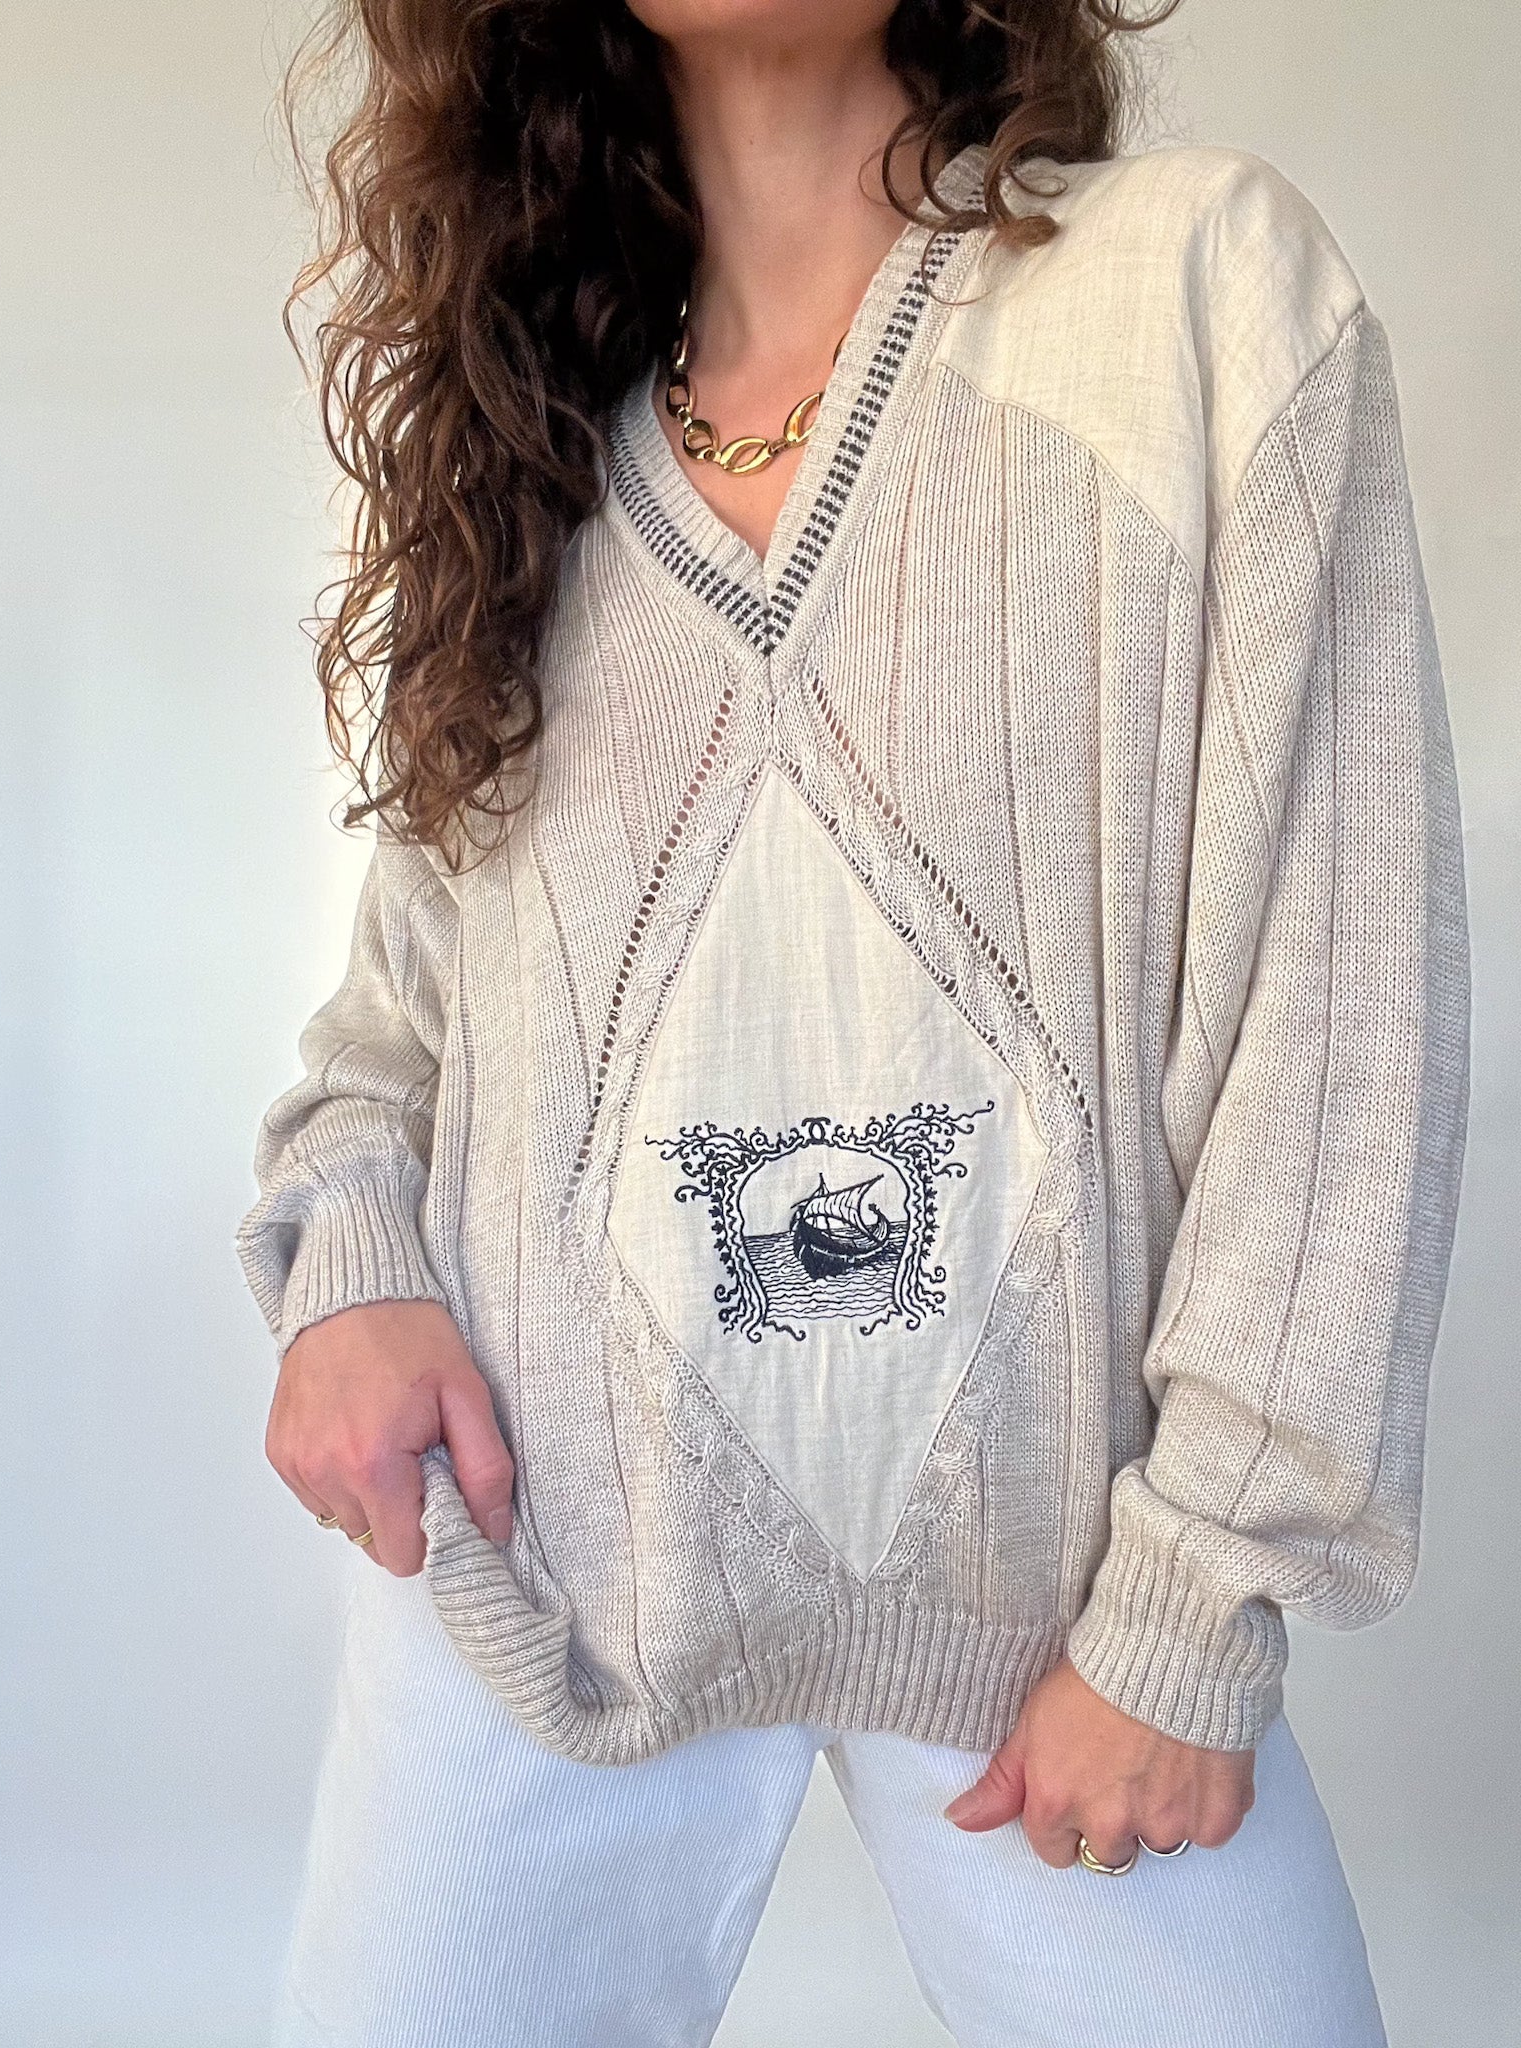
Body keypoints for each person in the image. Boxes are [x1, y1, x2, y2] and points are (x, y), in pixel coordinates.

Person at [234, 2, 1470, 2042]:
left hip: (1068, 1628)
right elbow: (399, 1029)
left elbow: (1337, 1012)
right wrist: (351, 1269)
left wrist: (1196, 1605)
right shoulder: (527, 461)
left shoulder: (1194, 296)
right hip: (537, 1578)